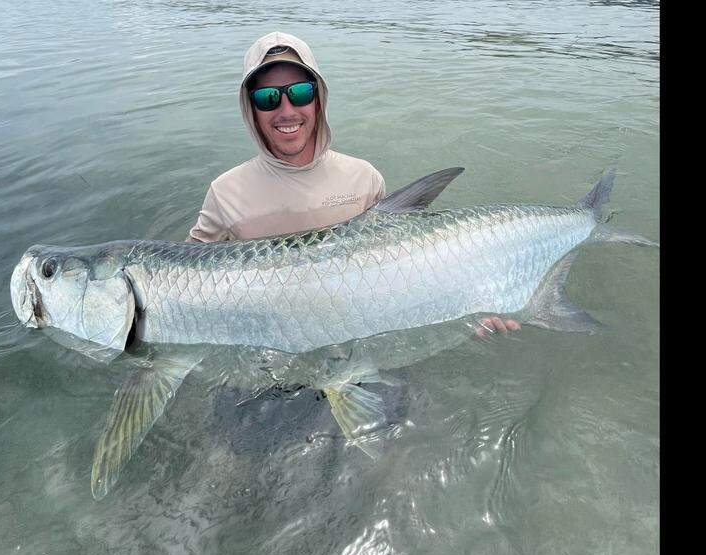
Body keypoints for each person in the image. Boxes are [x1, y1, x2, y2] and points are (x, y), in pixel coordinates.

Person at [187, 32, 519, 335]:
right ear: (251, 108)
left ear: (318, 99)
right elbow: (187, 287)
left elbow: (409, 270)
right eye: (268, 98)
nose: (286, 110)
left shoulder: (364, 178)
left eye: (301, 92)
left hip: (364, 350)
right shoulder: (224, 192)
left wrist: (467, 312)